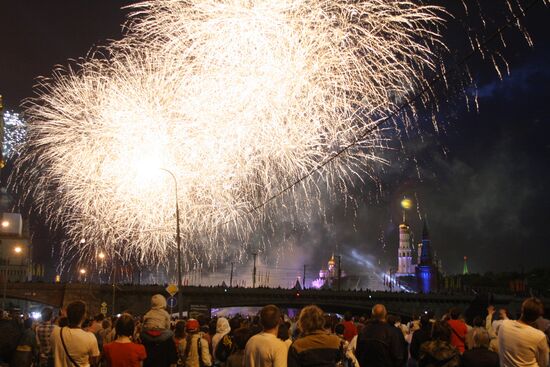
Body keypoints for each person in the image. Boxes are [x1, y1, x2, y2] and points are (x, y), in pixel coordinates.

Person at [498, 297, 549, 367]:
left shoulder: (503, 325)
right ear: (537, 317)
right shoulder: (539, 336)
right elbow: (544, 363)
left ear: (522, 309)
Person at [51, 300, 100, 367]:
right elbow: (94, 361)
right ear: (84, 317)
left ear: (67, 315)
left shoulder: (56, 332)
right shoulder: (90, 337)